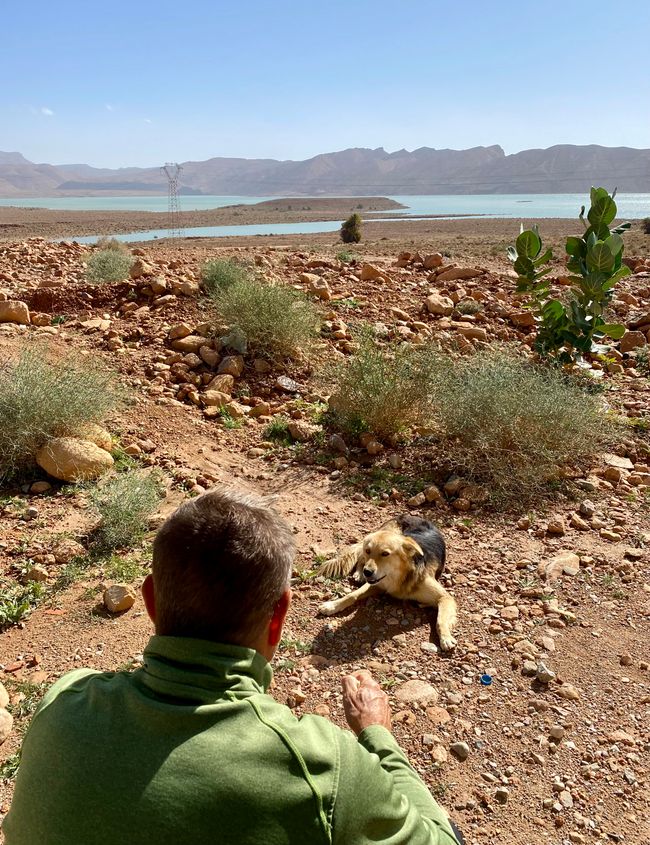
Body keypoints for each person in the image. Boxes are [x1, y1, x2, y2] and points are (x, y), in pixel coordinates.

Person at [4, 488, 463, 845]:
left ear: (150, 601)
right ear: (278, 617)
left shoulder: (62, 699)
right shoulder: (327, 763)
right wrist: (377, 737)